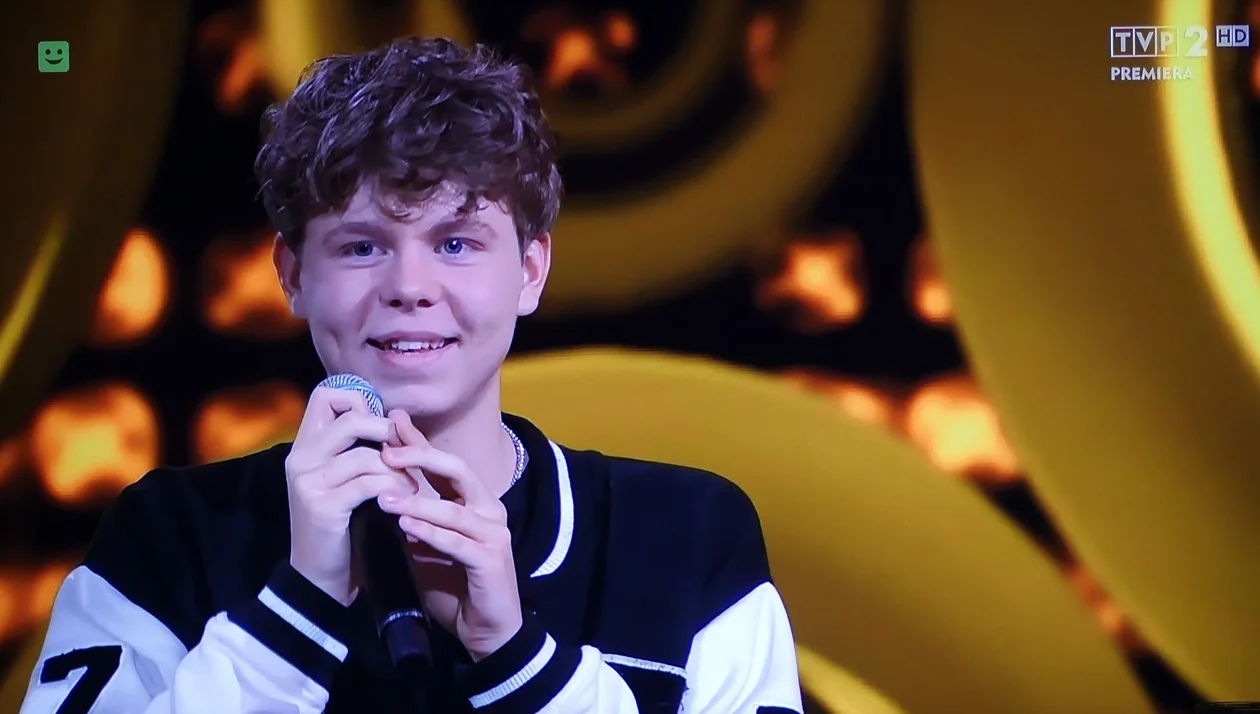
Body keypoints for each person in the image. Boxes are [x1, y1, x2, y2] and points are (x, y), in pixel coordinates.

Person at [17, 37, 803, 714]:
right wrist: (300, 605)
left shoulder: (688, 538)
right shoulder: (167, 538)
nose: (410, 287)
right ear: (292, 275)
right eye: (361, 246)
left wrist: (516, 655)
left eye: (457, 244)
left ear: (531, 271)